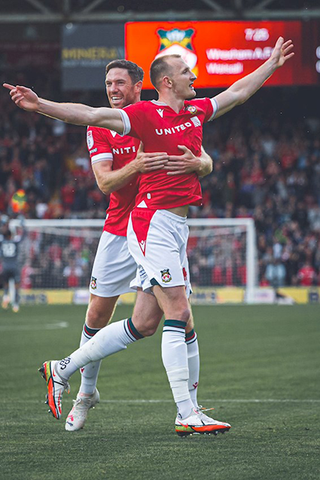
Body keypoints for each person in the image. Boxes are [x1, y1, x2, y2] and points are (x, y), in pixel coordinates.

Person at [4, 36, 294, 436]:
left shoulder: (194, 111)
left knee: (147, 322)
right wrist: (41, 106)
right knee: (177, 311)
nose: (194, 76)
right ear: (167, 83)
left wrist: (271, 64)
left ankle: (64, 367)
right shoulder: (143, 115)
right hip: (148, 223)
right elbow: (89, 114)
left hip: (175, 227)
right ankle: (184, 413)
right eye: (186, 72)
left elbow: (237, 93)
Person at [63, 59, 212, 432]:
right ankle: (86, 392)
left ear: (138, 85)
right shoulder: (104, 127)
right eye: (107, 84)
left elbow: (198, 153)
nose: (112, 90)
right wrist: (139, 165)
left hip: (157, 223)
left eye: (118, 83)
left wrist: (204, 164)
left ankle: (187, 410)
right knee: (97, 315)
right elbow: (105, 183)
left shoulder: (159, 115)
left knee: (153, 320)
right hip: (122, 229)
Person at [0, 219, 26, 313]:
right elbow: (23, 237)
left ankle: (6, 296)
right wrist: (23, 226)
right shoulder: (15, 242)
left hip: (5, 266)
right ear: (11, 235)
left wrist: (2, 225)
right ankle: (15, 304)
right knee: (16, 286)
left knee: (6, 284)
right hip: (14, 266)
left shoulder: (2, 242)